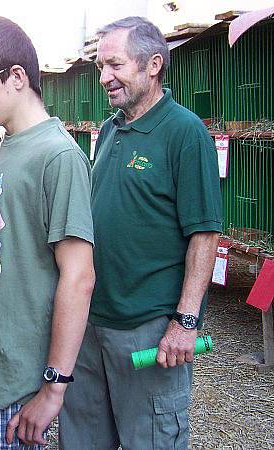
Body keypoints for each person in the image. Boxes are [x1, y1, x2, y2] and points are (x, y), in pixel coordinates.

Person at [59, 17, 222, 449]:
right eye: (99, 67)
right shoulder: (111, 128)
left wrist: (185, 322)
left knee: (149, 437)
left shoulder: (185, 132)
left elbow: (204, 234)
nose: (103, 77)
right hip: (92, 320)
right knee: (83, 437)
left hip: (148, 328)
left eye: (114, 64)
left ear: (153, 65)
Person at [0, 16, 95, 449]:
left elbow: (79, 277)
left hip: (15, 381)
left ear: (15, 77)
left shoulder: (58, 156)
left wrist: (54, 387)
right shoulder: (6, 146)